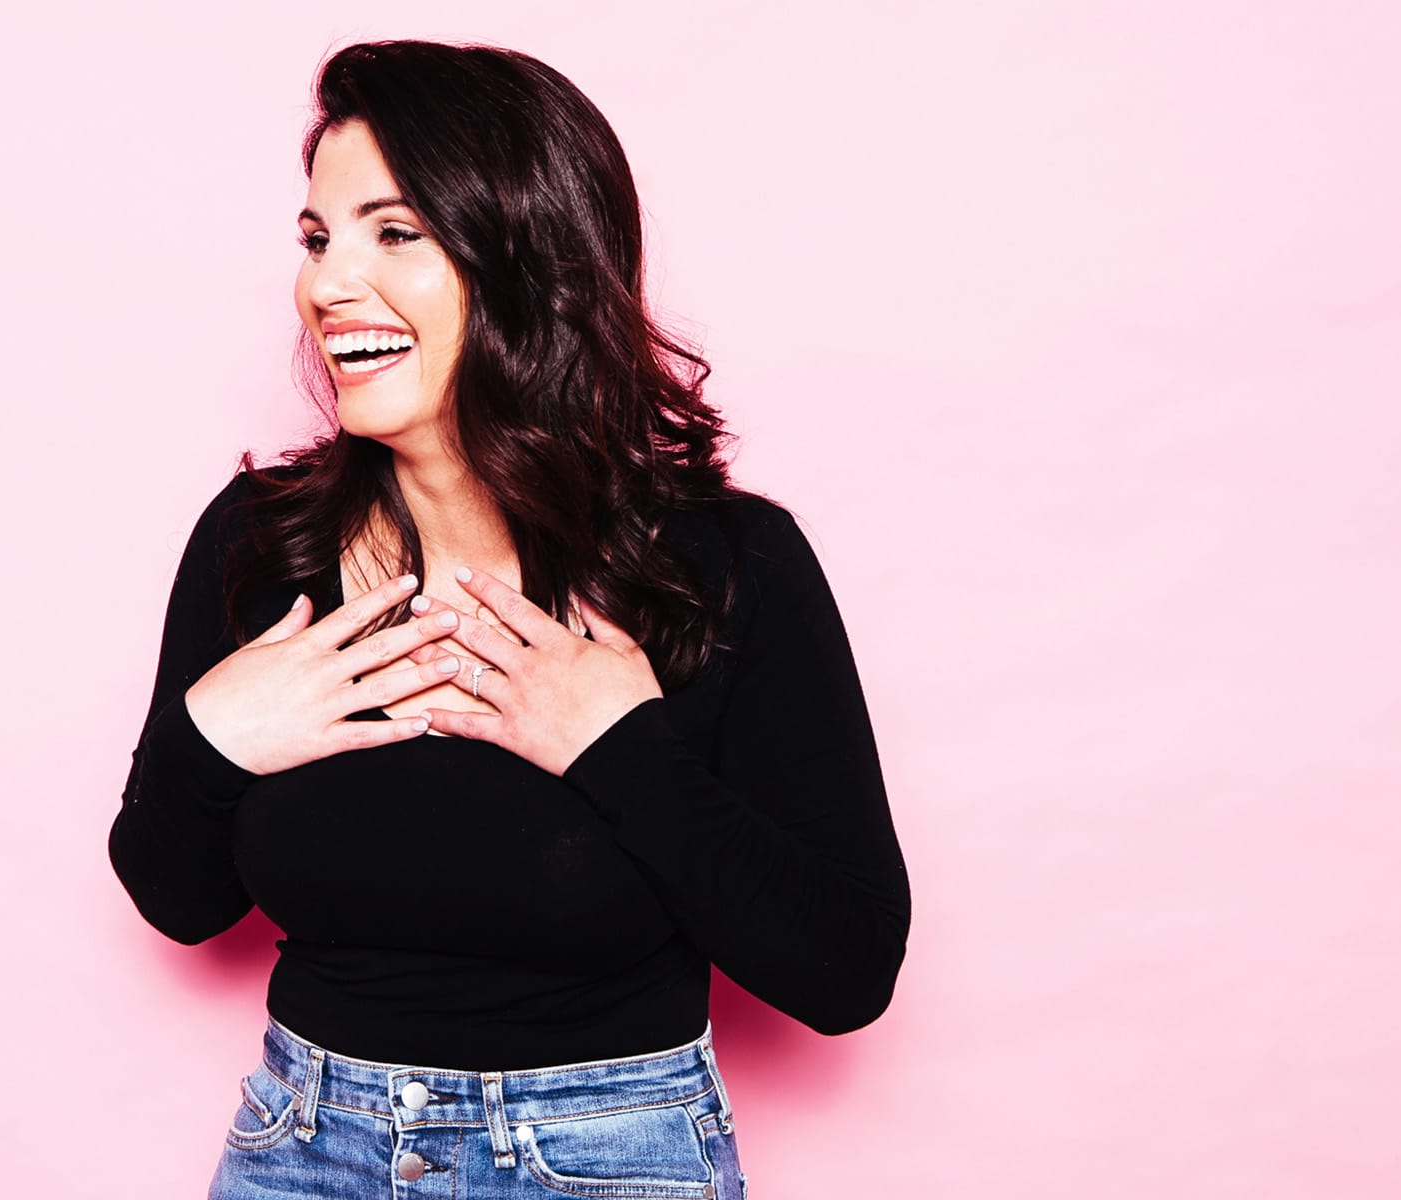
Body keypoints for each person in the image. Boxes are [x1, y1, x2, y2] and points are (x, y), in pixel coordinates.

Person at [108, 39, 910, 1199]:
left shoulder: (718, 567)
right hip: (306, 1148)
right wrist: (212, 737)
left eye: (394, 233)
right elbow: (177, 900)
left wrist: (617, 745)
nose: (328, 283)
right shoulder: (261, 544)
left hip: (607, 1158)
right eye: (319, 237)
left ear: (528, 260)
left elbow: (847, 970)